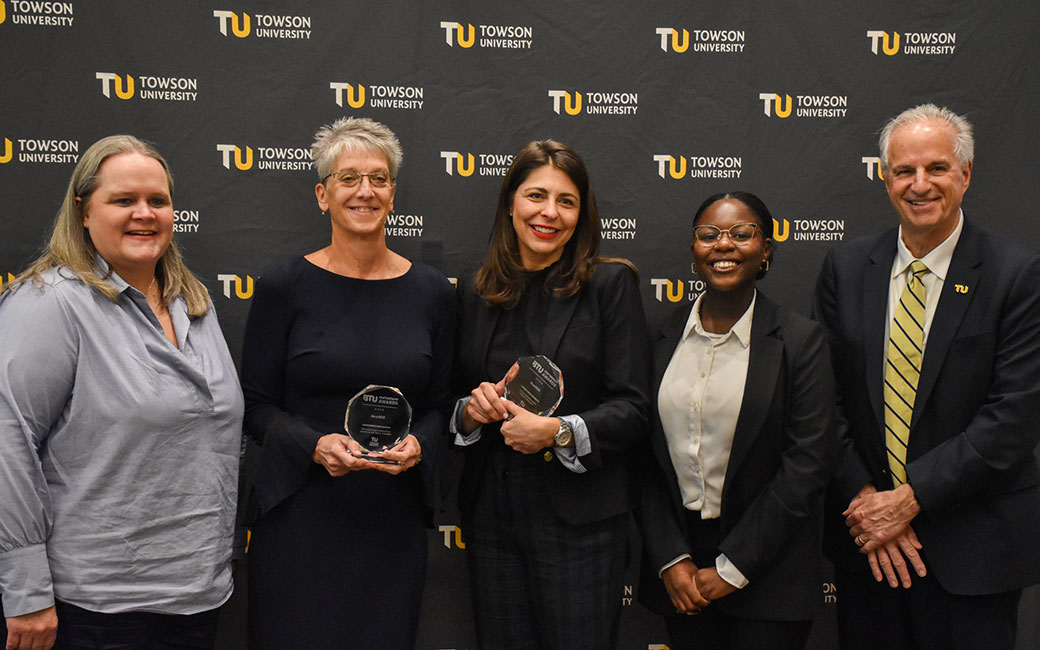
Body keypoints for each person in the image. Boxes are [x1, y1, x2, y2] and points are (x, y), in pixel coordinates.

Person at [0, 135, 243, 650]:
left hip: (197, 596)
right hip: (95, 607)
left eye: (158, 200)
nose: (144, 214)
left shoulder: (194, 304)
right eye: (123, 200)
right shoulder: (51, 304)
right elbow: (7, 441)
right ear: (84, 211)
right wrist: (26, 591)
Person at [812, 104, 1040, 650]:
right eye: (904, 171)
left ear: (965, 175)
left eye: (937, 168)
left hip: (973, 550)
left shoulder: (1017, 274)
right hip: (869, 545)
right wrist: (869, 500)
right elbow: (822, 400)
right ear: (884, 176)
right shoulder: (846, 268)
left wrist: (909, 500)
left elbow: (1014, 416)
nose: (920, 185)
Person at [241, 117, 454, 650]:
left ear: (393, 193)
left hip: (390, 519)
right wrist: (313, 445)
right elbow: (255, 405)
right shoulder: (283, 286)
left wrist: (419, 446)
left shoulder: (432, 291)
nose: (365, 191)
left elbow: (440, 405)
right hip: (299, 517)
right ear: (322, 194)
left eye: (378, 179)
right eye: (348, 177)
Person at [452, 139, 651, 650]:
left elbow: (634, 409)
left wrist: (559, 431)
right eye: (536, 196)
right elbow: (451, 400)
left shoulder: (610, 285)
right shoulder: (476, 290)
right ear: (510, 204)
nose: (549, 213)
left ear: (582, 213)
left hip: (580, 519)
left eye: (566, 201)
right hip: (492, 514)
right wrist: (470, 413)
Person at [637, 192, 835, 650]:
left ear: (765, 250)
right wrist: (670, 558)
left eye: (741, 234)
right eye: (709, 235)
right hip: (680, 576)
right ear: (693, 250)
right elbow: (643, 457)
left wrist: (733, 568)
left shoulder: (800, 341)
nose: (723, 245)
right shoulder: (659, 338)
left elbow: (807, 466)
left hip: (769, 574)